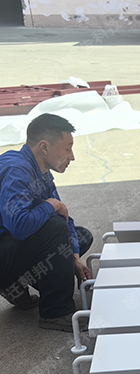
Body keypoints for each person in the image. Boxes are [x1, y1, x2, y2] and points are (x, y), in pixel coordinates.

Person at [0, 113, 93, 331]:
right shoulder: (17, 171)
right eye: (68, 148)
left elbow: (64, 217)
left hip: (10, 247)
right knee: (55, 229)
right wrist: (52, 204)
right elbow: (19, 225)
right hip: (6, 247)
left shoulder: (40, 171)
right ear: (44, 147)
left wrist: (74, 258)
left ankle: (16, 285)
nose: (72, 157)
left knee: (79, 236)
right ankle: (55, 312)